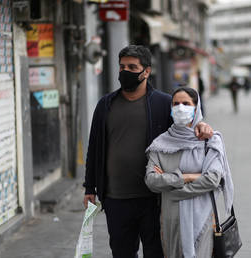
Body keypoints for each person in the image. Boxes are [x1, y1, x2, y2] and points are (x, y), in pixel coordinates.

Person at [83, 45, 213, 258]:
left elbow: (186, 128)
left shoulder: (163, 103)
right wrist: (89, 186)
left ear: (146, 71)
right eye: (122, 66)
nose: (125, 71)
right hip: (116, 198)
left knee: (157, 253)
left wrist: (202, 126)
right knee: (122, 253)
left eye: (132, 67)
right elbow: (95, 146)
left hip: (155, 199)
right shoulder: (105, 104)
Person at [144, 87, 234, 258]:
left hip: (203, 219)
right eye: (176, 104)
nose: (180, 108)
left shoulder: (209, 141)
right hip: (171, 219)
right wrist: (186, 177)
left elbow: (213, 179)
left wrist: (172, 188)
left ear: (196, 107)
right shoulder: (161, 144)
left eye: (186, 103)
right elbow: (151, 181)